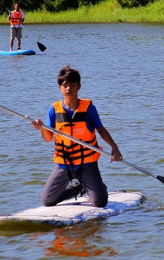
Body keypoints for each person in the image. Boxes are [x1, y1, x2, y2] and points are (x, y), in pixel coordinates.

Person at [31, 65, 122, 208]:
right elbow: (48, 138)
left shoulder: (88, 108)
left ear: (79, 87)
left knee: (100, 202)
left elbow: (101, 129)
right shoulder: (54, 109)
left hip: (87, 163)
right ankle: (79, 188)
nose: (68, 89)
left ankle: (97, 189)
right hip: (64, 164)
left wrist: (114, 147)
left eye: (72, 85)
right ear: (60, 88)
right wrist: (41, 127)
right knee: (47, 202)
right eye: (65, 85)